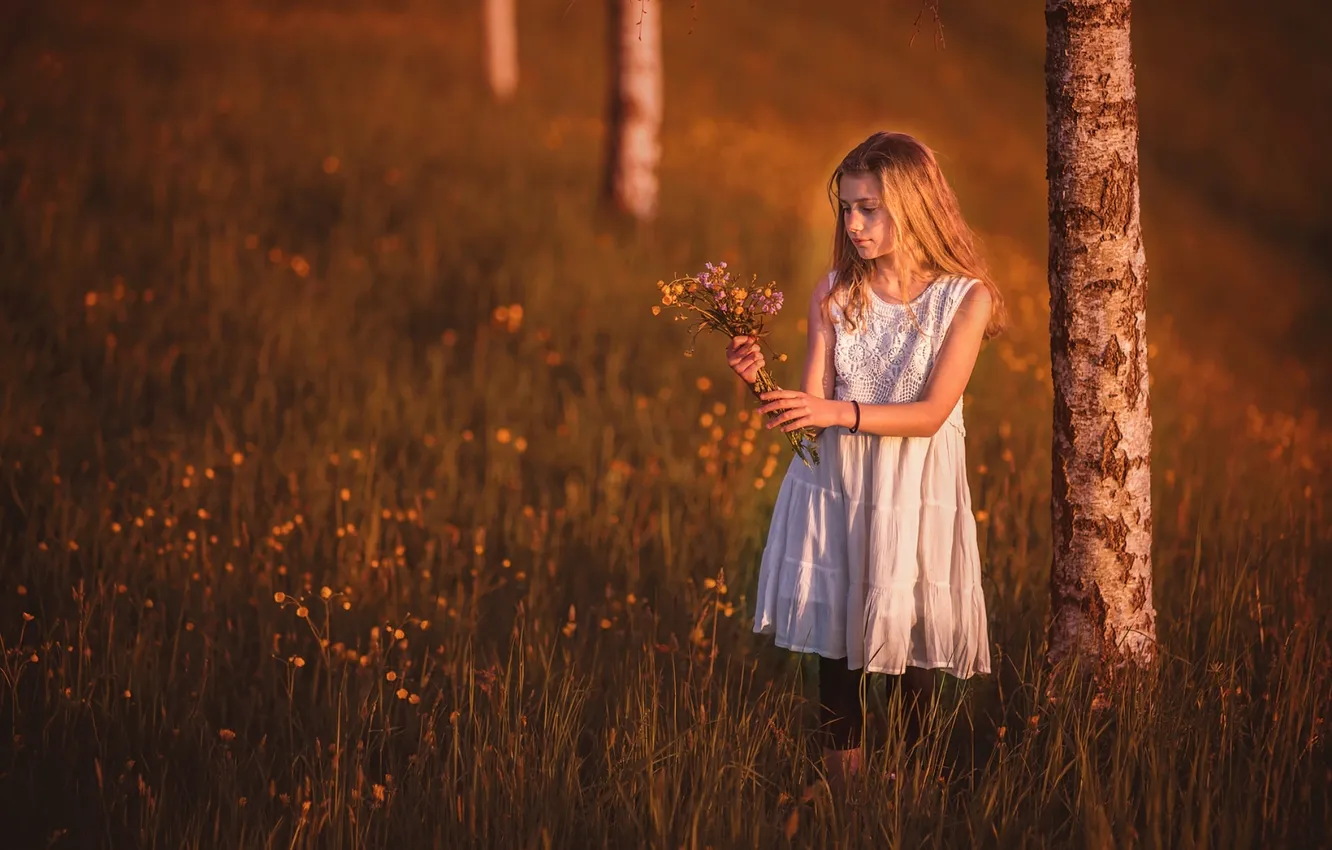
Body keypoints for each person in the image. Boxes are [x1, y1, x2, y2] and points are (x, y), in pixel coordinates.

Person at [725, 131, 1005, 791]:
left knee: (907, 649)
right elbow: (810, 419)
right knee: (838, 648)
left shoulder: (963, 299)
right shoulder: (834, 294)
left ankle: (909, 796)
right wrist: (759, 381)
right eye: (846, 207)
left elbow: (932, 413)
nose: (852, 223)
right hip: (838, 488)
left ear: (911, 206)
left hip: (912, 491)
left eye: (868, 208)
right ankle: (846, 802)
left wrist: (837, 414)